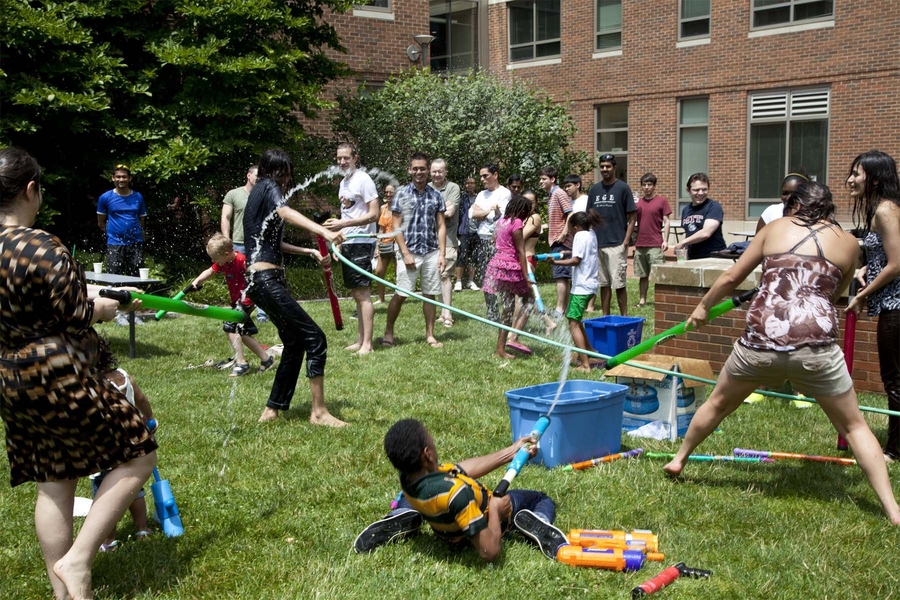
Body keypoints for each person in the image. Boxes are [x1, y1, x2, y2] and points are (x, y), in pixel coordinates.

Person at [662, 181, 900, 524]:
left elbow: (731, 275)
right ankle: (892, 509)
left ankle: (680, 459)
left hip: (760, 342)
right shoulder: (849, 243)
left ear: (795, 207)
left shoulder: (774, 228)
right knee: (854, 426)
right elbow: (836, 295)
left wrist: (702, 308)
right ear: (829, 209)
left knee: (718, 403)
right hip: (816, 348)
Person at [1, 147, 157, 599]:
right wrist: (107, 306)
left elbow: (40, 295)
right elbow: (75, 311)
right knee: (138, 450)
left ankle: (66, 592)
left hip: (11, 376)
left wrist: (108, 293)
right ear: (31, 190)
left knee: (54, 479)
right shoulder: (40, 242)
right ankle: (80, 559)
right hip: (57, 371)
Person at [353, 418, 569, 561]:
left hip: (444, 520)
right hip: (477, 520)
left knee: (407, 500)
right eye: (431, 439)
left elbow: (462, 469)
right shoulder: (458, 494)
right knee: (541, 499)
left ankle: (401, 513)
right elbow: (488, 551)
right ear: (427, 454)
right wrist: (494, 511)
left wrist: (510, 452)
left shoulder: (410, 477)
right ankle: (535, 519)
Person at [243, 148, 347, 425]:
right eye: (285, 174)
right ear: (275, 172)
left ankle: (272, 409)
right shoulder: (268, 186)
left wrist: (309, 251)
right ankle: (319, 412)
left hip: (260, 280)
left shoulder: (259, 192)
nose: (288, 180)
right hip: (266, 280)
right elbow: (285, 211)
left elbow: (269, 243)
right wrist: (324, 231)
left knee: (294, 342)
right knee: (315, 338)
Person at [845, 150, 900, 462]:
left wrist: (862, 295)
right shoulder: (880, 208)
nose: (851, 179)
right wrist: (867, 269)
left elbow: (896, 264)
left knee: (894, 378)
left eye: (857, 173)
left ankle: (894, 449)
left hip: (896, 303)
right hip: (891, 301)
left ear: (875, 178)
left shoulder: (887, 210)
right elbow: (883, 258)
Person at [92, 336, 156, 552]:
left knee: (104, 492)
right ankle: (142, 528)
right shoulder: (123, 375)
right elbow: (142, 399)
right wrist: (149, 419)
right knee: (134, 487)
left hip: (108, 447)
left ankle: (108, 540)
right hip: (134, 439)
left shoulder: (94, 383)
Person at [381, 152, 446, 349]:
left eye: (422, 168)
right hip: (408, 251)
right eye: (415, 168)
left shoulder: (436, 195)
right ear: (410, 170)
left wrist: (442, 253)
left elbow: (441, 225)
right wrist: (405, 253)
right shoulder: (401, 194)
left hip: (431, 251)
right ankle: (389, 332)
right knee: (401, 294)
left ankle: (430, 335)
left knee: (430, 294)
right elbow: (396, 226)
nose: (419, 172)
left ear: (428, 170)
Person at [189, 233, 275, 377]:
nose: (213, 261)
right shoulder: (224, 262)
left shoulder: (242, 260)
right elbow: (210, 272)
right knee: (243, 332)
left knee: (230, 326)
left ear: (227, 253)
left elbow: (257, 274)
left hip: (247, 300)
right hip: (238, 301)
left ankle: (241, 363)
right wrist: (197, 281)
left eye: (215, 258)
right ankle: (266, 360)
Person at [325, 143, 380, 355]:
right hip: (349, 241)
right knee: (356, 294)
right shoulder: (344, 183)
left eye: (346, 158)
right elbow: (348, 215)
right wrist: (338, 238)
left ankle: (368, 344)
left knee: (363, 293)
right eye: (339, 158)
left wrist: (342, 226)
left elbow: (374, 214)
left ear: (355, 158)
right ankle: (360, 340)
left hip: (362, 241)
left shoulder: (363, 180)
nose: (342, 162)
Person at [483, 194, 536, 359]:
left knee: (507, 307)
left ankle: (501, 347)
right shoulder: (517, 222)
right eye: (527, 211)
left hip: (497, 265)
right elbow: (521, 250)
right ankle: (514, 336)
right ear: (523, 210)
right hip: (511, 267)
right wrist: (526, 276)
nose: (527, 215)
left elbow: (493, 240)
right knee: (529, 299)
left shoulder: (502, 221)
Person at [549, 211, 602, 371]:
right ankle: (590, 351)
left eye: (570, 227)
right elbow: (583, 255)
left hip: (582, 287)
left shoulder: (579, 236)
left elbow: (577, 260)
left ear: (576, 226)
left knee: (573, 323)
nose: (569, 231)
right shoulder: (591, 234)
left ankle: (585, 364)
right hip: (590, 285)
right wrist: (568, 252)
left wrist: (556, 261)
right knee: (575, 320)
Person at [586, 154, 636, 316]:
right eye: (602, 166)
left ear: (614, 167)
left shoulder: (623, 188)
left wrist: (626, 241)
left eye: (608, 166)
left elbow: (632, 216)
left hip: (617, 243)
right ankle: (605, 316)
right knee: (604, 284)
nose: (604, 169)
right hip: (599, 243)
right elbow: (589, 214)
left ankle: (624, 317)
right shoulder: (594, 189)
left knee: (619, 284)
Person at [221, 165, 266, 322]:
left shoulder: (263, 195)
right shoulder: (234, 194)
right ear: (248, 175)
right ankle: (240, 310)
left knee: (259, 278)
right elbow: (226, 217)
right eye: (257, 176)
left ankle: (262, 314)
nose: (259, 179)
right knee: (239, 279)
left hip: (258, 244)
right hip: (238, 243)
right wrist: (226, 241)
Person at [469, 164, 511, 322]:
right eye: (481, 176)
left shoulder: (504, 193)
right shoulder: (481, 194)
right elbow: (472, 213)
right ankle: (492, 314)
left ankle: (507, 311)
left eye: (485, 176)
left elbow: (501, 217)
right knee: (486, 277)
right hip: (483, 238)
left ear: (495, 175)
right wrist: (489, 212)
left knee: (502, 276)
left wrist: (484, 213)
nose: (482, 179)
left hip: (498, 239)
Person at [97, 164, 146, 277]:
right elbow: (101, 222)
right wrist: (112, 233)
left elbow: (142, 219)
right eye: (118, 177)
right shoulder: (105, 197)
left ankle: (135, 295)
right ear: (113, 178)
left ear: (130, 178)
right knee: (113, 277)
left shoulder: (138, 197)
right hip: (114, 243)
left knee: (136, 277)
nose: (121, 179)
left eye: (124, 177)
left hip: (135, 243)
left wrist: (140, 232)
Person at [429, 159, 461, 328]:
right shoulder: (425, 188)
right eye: (434, 171)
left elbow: (449, 212)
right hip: (429, 241)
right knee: (436, 276)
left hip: (448, 239)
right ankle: (442, 312)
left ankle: (448, 314)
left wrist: (432, 209)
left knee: (444, 275)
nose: (436, 174)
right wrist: (441, 207)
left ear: (445, 172)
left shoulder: (453, 188)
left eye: (440, 171)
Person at [633, 173, 672, 308]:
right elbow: (630, 219)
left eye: (649, 185)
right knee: (642, 275)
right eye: (644, 185)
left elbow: (667, 222)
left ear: (654, 186)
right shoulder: (638, 203)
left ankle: (661, 301)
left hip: (655, 243)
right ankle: (642, 300)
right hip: (640, 243)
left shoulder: (662, 201)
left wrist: (665, 240)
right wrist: (633, 205)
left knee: (659, 274)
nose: (647, 187)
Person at [541, 166, 574, 320]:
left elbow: (570, 213)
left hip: (562, 241)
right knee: (563, 276)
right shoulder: (551, 195)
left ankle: (559, 310)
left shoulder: (559, 193)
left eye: (544, 179)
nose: (541, 182)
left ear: (552, 179)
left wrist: (564, 232)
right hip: (556, 239)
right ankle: (564, 309)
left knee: (561, 276)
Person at [674, 172, 726, 260]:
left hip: (714, 257)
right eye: (696, 190)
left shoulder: (714, 206)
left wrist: (683, 242)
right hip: (694, 257)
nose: (701, 193)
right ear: (688, 190)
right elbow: (688, 235)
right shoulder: (686, 210)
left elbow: (706, 233)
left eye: (704, 189)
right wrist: (685, 259)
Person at [454, 176, 480, 292]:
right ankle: (458, 281)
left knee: (473, 257)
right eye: (468, 183)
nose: (470, 185)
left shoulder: (479, 198)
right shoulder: (460, 199)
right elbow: (455, 217)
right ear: (464, 185)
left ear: (475, 185)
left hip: (476, 231)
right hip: (463, 231)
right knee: (462, 256)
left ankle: (470, 280)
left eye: (472, 183)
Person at [374, 184, 397, 305]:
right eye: (386, 192)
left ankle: (399, 298)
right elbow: (381, 229)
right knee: (379, 272)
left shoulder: (400, 208)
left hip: (397, 243)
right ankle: (381, 298)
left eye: (391, 192)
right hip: (385, 243)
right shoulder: (383, 208)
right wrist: (377, 246)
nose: (388, 195)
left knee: (399, 273)